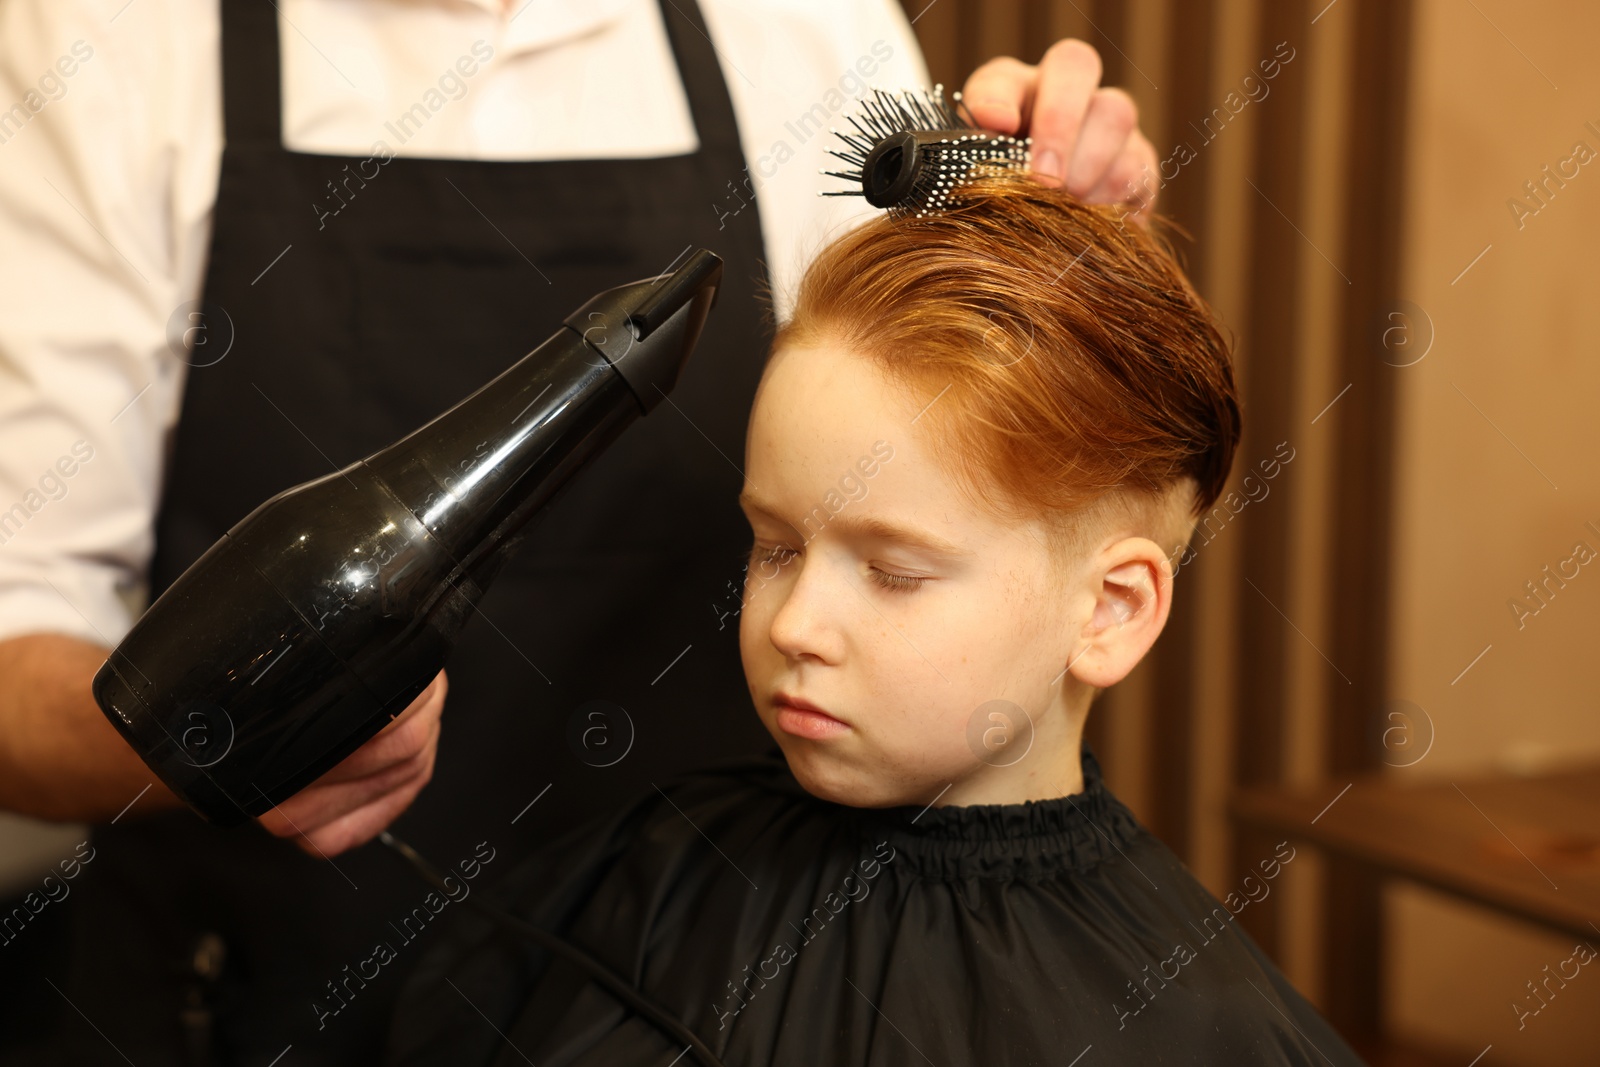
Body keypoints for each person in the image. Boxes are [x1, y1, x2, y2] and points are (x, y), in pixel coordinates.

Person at [0, 1, 1157, 1063]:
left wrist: (1049, 253)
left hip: (713, 990)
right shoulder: (107, 39)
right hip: (247, 998)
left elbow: (946, 439)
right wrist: (231, 733)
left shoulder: (801, 30)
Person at [385, 170, 1364, 1066]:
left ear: (1108, 609)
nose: (793, 624)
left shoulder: (1190, 1023)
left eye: (892, 571)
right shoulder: (646, 878)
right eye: (774, 545)